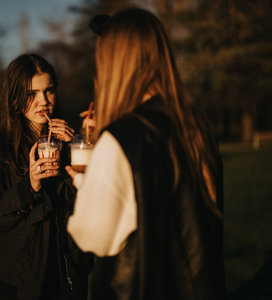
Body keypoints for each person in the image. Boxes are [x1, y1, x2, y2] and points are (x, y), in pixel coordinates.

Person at [66, 8, 227, 300]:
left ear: (114, 64)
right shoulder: (194, 125)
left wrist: (84, 183)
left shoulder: (121, 140)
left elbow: (91, 236)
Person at [0, 53, 93, 300]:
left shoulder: (68, 144)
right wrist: (29, 187)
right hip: (20, 284)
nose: (43, 102)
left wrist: (81, 146)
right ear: (14, 97)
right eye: (31, 94)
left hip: (67, 276)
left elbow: (89, 203)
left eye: (49, 90)